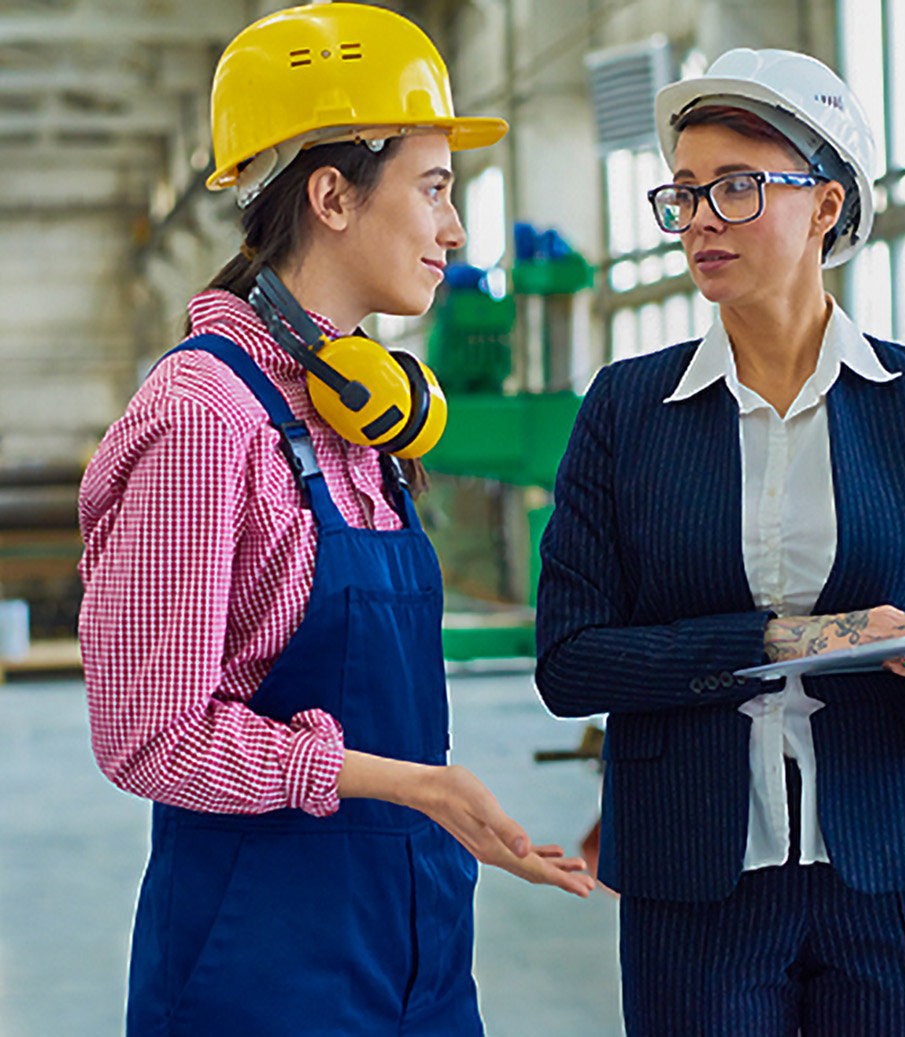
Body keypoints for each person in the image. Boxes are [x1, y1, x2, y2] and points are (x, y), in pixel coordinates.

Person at [77, 6, 593, 1035]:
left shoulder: (364, 410)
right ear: (332, 195)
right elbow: (153, 733)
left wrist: (441, 822)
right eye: (436, 188)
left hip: (422, 960)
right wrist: (409, 784)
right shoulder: (203, 420)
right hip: (262, 976)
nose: (455, 231)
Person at [535, 48, 905, 1035]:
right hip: (695, 876)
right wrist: (780, 638)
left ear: (826, 204)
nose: (698, 219)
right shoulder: (627, 410)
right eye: (684, 194)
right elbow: (570, 660)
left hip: (895, 870)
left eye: (735, 188)